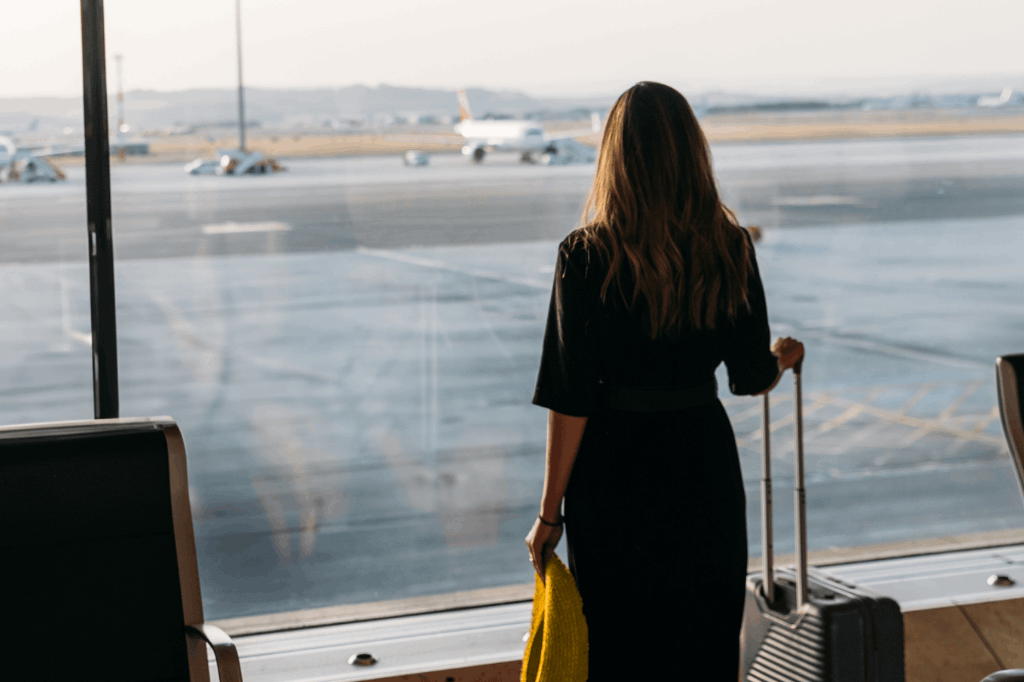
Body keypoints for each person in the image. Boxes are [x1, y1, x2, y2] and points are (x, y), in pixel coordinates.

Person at [525, 81, 804, 680]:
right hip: (701, 467)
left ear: (613, 159)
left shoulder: (584, 256)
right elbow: (749, 377)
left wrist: (550, 516)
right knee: (702, 646)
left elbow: (570, 399)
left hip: (613, 476)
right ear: (691, 153)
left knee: (619, 651)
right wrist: (782, 357)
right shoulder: (729, 246)